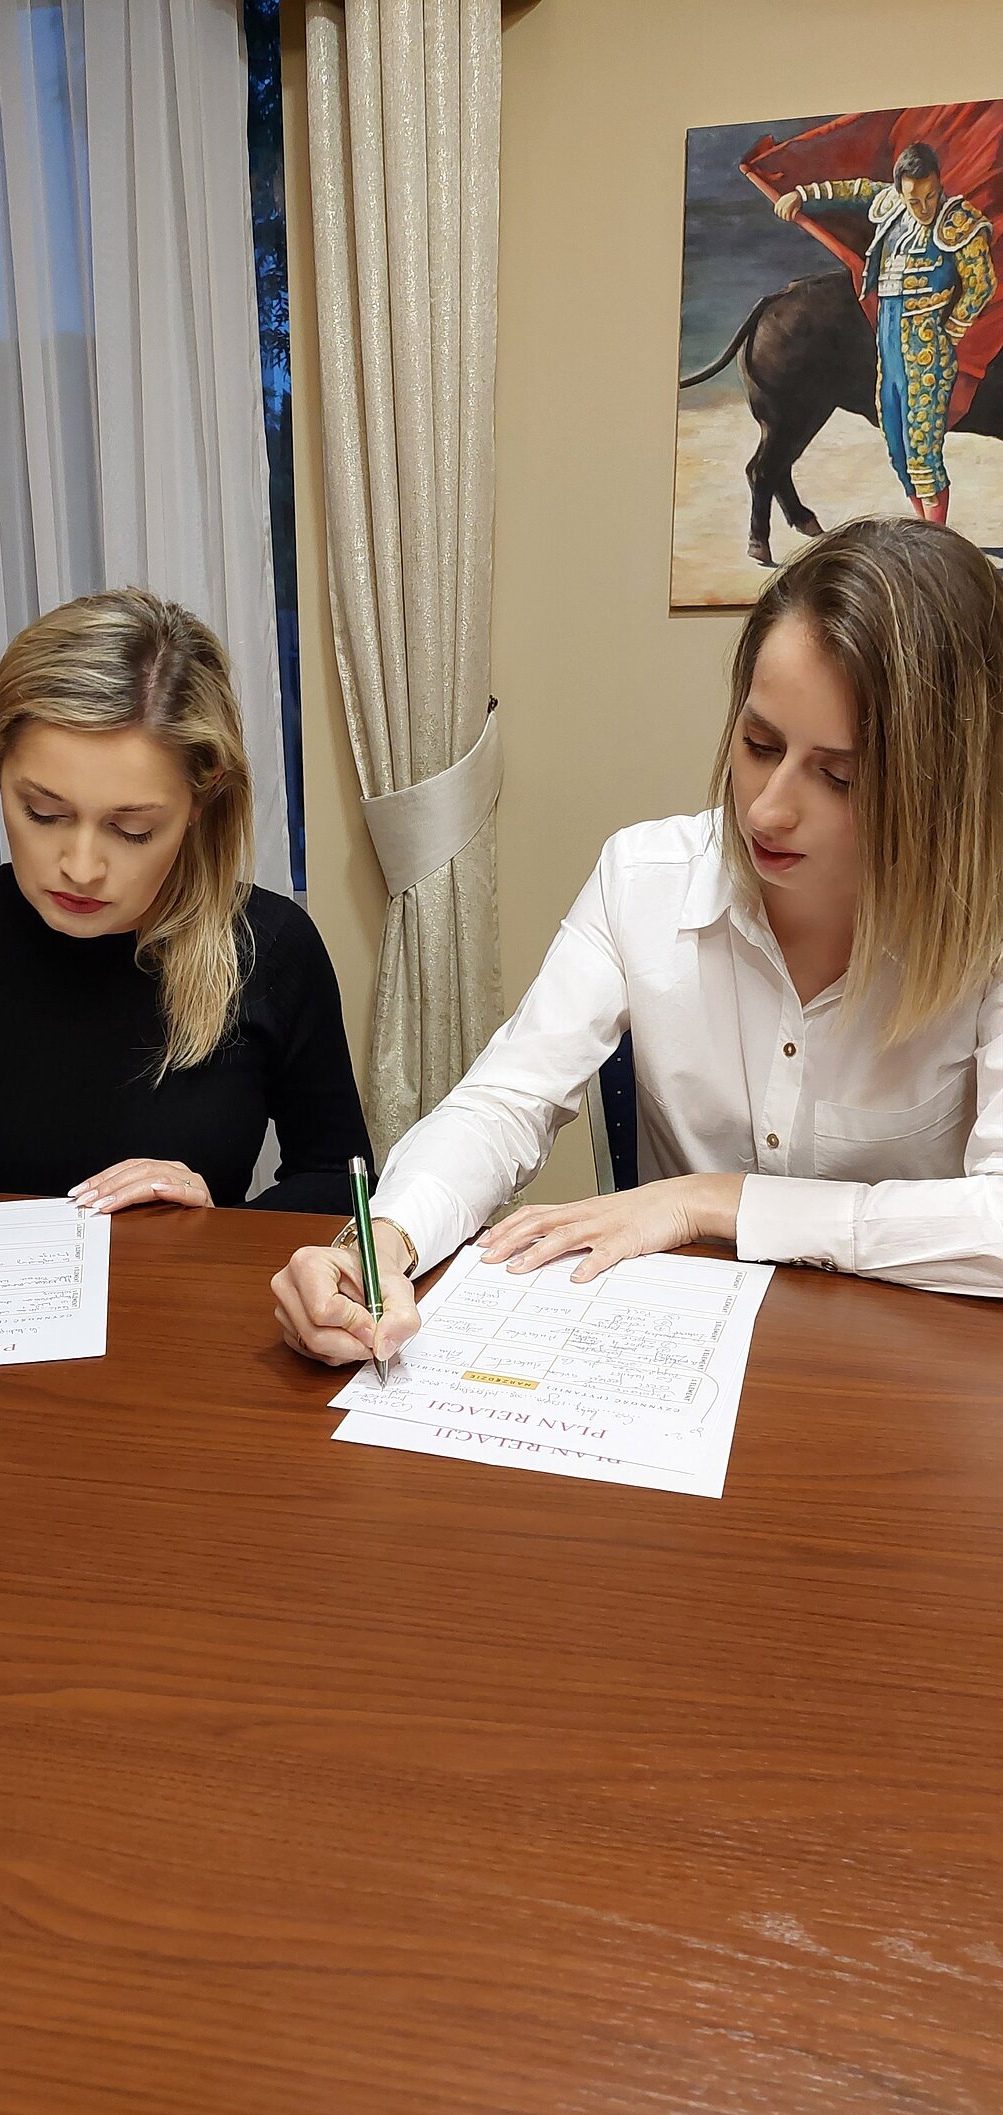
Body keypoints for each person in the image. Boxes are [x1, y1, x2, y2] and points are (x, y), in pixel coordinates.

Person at [272, 516, 1003, 1369]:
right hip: (671, 1353)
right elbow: (507, 1100)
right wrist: (385, 1238)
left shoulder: (987, 927)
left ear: (942, 788)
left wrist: (714, 1201)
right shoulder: (644, 878)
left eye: (838, 777)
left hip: (909, 1369)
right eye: (759, 745)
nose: (768, 809)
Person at [0, 589, 372, 1213]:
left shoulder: (270, 946)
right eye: (43, 813)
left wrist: (215, 1221)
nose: (79, 868)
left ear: (200, 800)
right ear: (1, 767)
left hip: (183, 1277)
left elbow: (340, 1179)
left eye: (132, 830)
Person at [774, 142, 997, 523]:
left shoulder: (958, 220)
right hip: (889, 343)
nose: (924, 208)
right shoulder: (892, 202)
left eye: (931, 195)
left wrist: (949, 331)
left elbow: (981, 284)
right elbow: (855, 190)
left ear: (939, 183)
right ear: (900, 191)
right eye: (914, 199)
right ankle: (925, 529)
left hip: (926, 347)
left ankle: (933, 536)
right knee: (897, 444)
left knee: (922, 450)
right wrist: (803, 195)